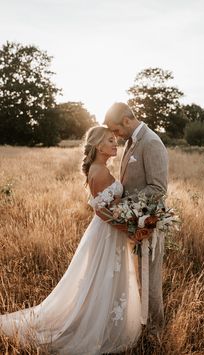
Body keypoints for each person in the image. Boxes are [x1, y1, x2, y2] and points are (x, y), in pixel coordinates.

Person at [0, 126, 142, 354]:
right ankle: (97, 325)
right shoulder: (101, 171)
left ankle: (102, 320)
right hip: (107, 232)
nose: (115, 144)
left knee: (101, 277)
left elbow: (104, 207)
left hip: (104, 232)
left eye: (115, 140)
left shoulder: (98, 168)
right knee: (104, 277)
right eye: (110, 140)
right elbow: (101, 212)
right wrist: (129, 227)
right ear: (98, 146)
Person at [104, 102, 168, 338]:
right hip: (135, 221)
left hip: (149, 222)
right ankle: (141, 324)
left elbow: (158, 188)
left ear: (127, 121)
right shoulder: (132, 141)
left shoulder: (151, 143)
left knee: (150, 279)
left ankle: (155, 332)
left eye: (117, 130)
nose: (116, 135)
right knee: (139, 276)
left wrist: (124, 203)